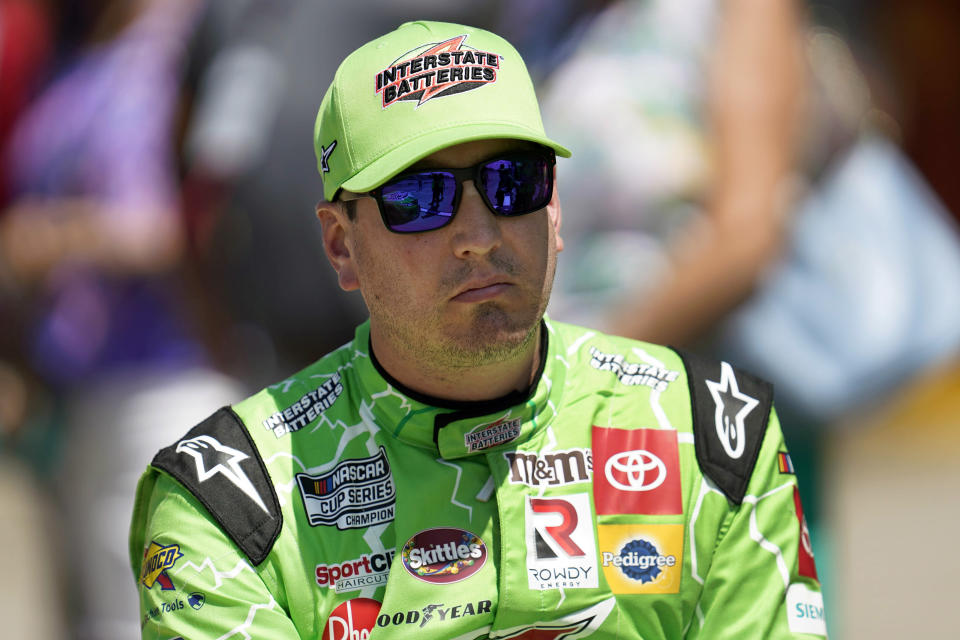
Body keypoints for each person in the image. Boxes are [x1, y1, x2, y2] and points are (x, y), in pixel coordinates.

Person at [129, 20, 826, 639]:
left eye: (513, 180)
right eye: (418, 197)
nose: (479, 233)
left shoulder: (714, 435)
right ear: (341, 245)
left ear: (553, 210)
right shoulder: (229, 501)